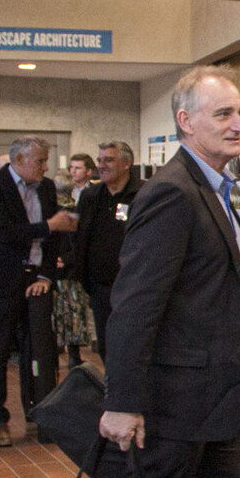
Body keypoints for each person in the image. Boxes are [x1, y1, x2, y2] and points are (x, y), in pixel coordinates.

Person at [99, 66, 240, 478]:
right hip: (176, 411)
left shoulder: (215, 190)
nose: (239, 125)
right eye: (224, 114)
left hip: (218, 403)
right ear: (186, 122)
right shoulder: (172, 192)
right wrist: (121, 402)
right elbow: (136, 304)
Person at [0, 137, 74, 447]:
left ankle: (37, 413)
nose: (45, 167)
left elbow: (55, 238)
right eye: (40, 161)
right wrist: (48, 226)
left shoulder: (45, 187)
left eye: (46, 160)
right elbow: (3, 232)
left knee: (38, 350)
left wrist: (46, 275)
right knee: (0, 349)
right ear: (19, 161)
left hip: (35, 278)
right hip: (1, 281)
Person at [74, 140, 142, 356]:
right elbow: (81, 239)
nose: (101, 165)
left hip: (135, 289)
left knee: (133, 348)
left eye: (109, 160)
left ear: (126, 163)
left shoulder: (145, 194)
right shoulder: (90, 197)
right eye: (99, 160)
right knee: (106, 348)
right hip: (101, 289)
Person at [51, 151, 97, 368]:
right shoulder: (69, 210)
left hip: (63, 267)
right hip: (67, 267)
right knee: (73, 312)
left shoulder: (55, 212)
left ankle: (67, 351)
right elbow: (75, 240)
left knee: (65, 312)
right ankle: (72, 354)